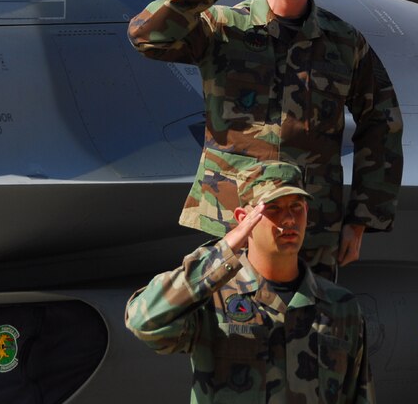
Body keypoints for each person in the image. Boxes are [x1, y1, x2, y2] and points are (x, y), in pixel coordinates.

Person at [127, 0, 403, 279]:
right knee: (232, 312)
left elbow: (382, 122)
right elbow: (145, 35)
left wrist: (361, 219)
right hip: (233, 218)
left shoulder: (342, 42)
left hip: (311, 222)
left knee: (312, 313)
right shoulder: (223, 28)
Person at [125, 160, 374, 403]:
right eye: (273, 208)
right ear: (244, 218)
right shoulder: (213, 297)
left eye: (296, 207)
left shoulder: (340, 307)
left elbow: (360, 393)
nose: (289, 219)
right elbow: (143, 322)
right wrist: (225, 249)